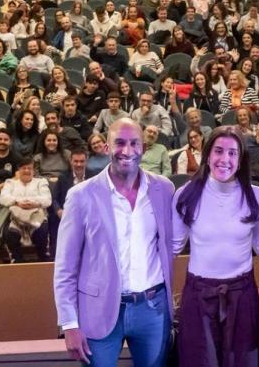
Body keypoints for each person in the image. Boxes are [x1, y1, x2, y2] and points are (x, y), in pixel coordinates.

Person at [54, 119, 176, 366]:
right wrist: (69, 323)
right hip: (98, 311)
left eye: (134, 143)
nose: (127, 151)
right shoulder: (80, 195)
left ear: (144, 147)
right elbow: (65, 267)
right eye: (120, 143)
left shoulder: (164, 189)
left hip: (153, 309)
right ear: (107, 147)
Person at [173, 126, 259, 367]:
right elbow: (172, 247)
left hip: (242, 294)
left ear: (240, 160)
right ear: (207, 155)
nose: (225, 159)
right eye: (218, 151)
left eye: (233, 153)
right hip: (198, 296)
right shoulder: (186, 195)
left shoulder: (256, 196)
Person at [0, 162, 52, 262]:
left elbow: (47, 200)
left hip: (36, 218)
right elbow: (2, 199)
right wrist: (17, 202)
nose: (27, 171)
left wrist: (33, 203)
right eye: (24, 168)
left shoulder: (41, 182)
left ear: (33, 171)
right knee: (10, 234)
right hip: (16, 220)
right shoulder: (10, 183)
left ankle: (43, 260)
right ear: (18, 170)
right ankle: (17, 262)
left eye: (29, 168)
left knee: (42, 233)